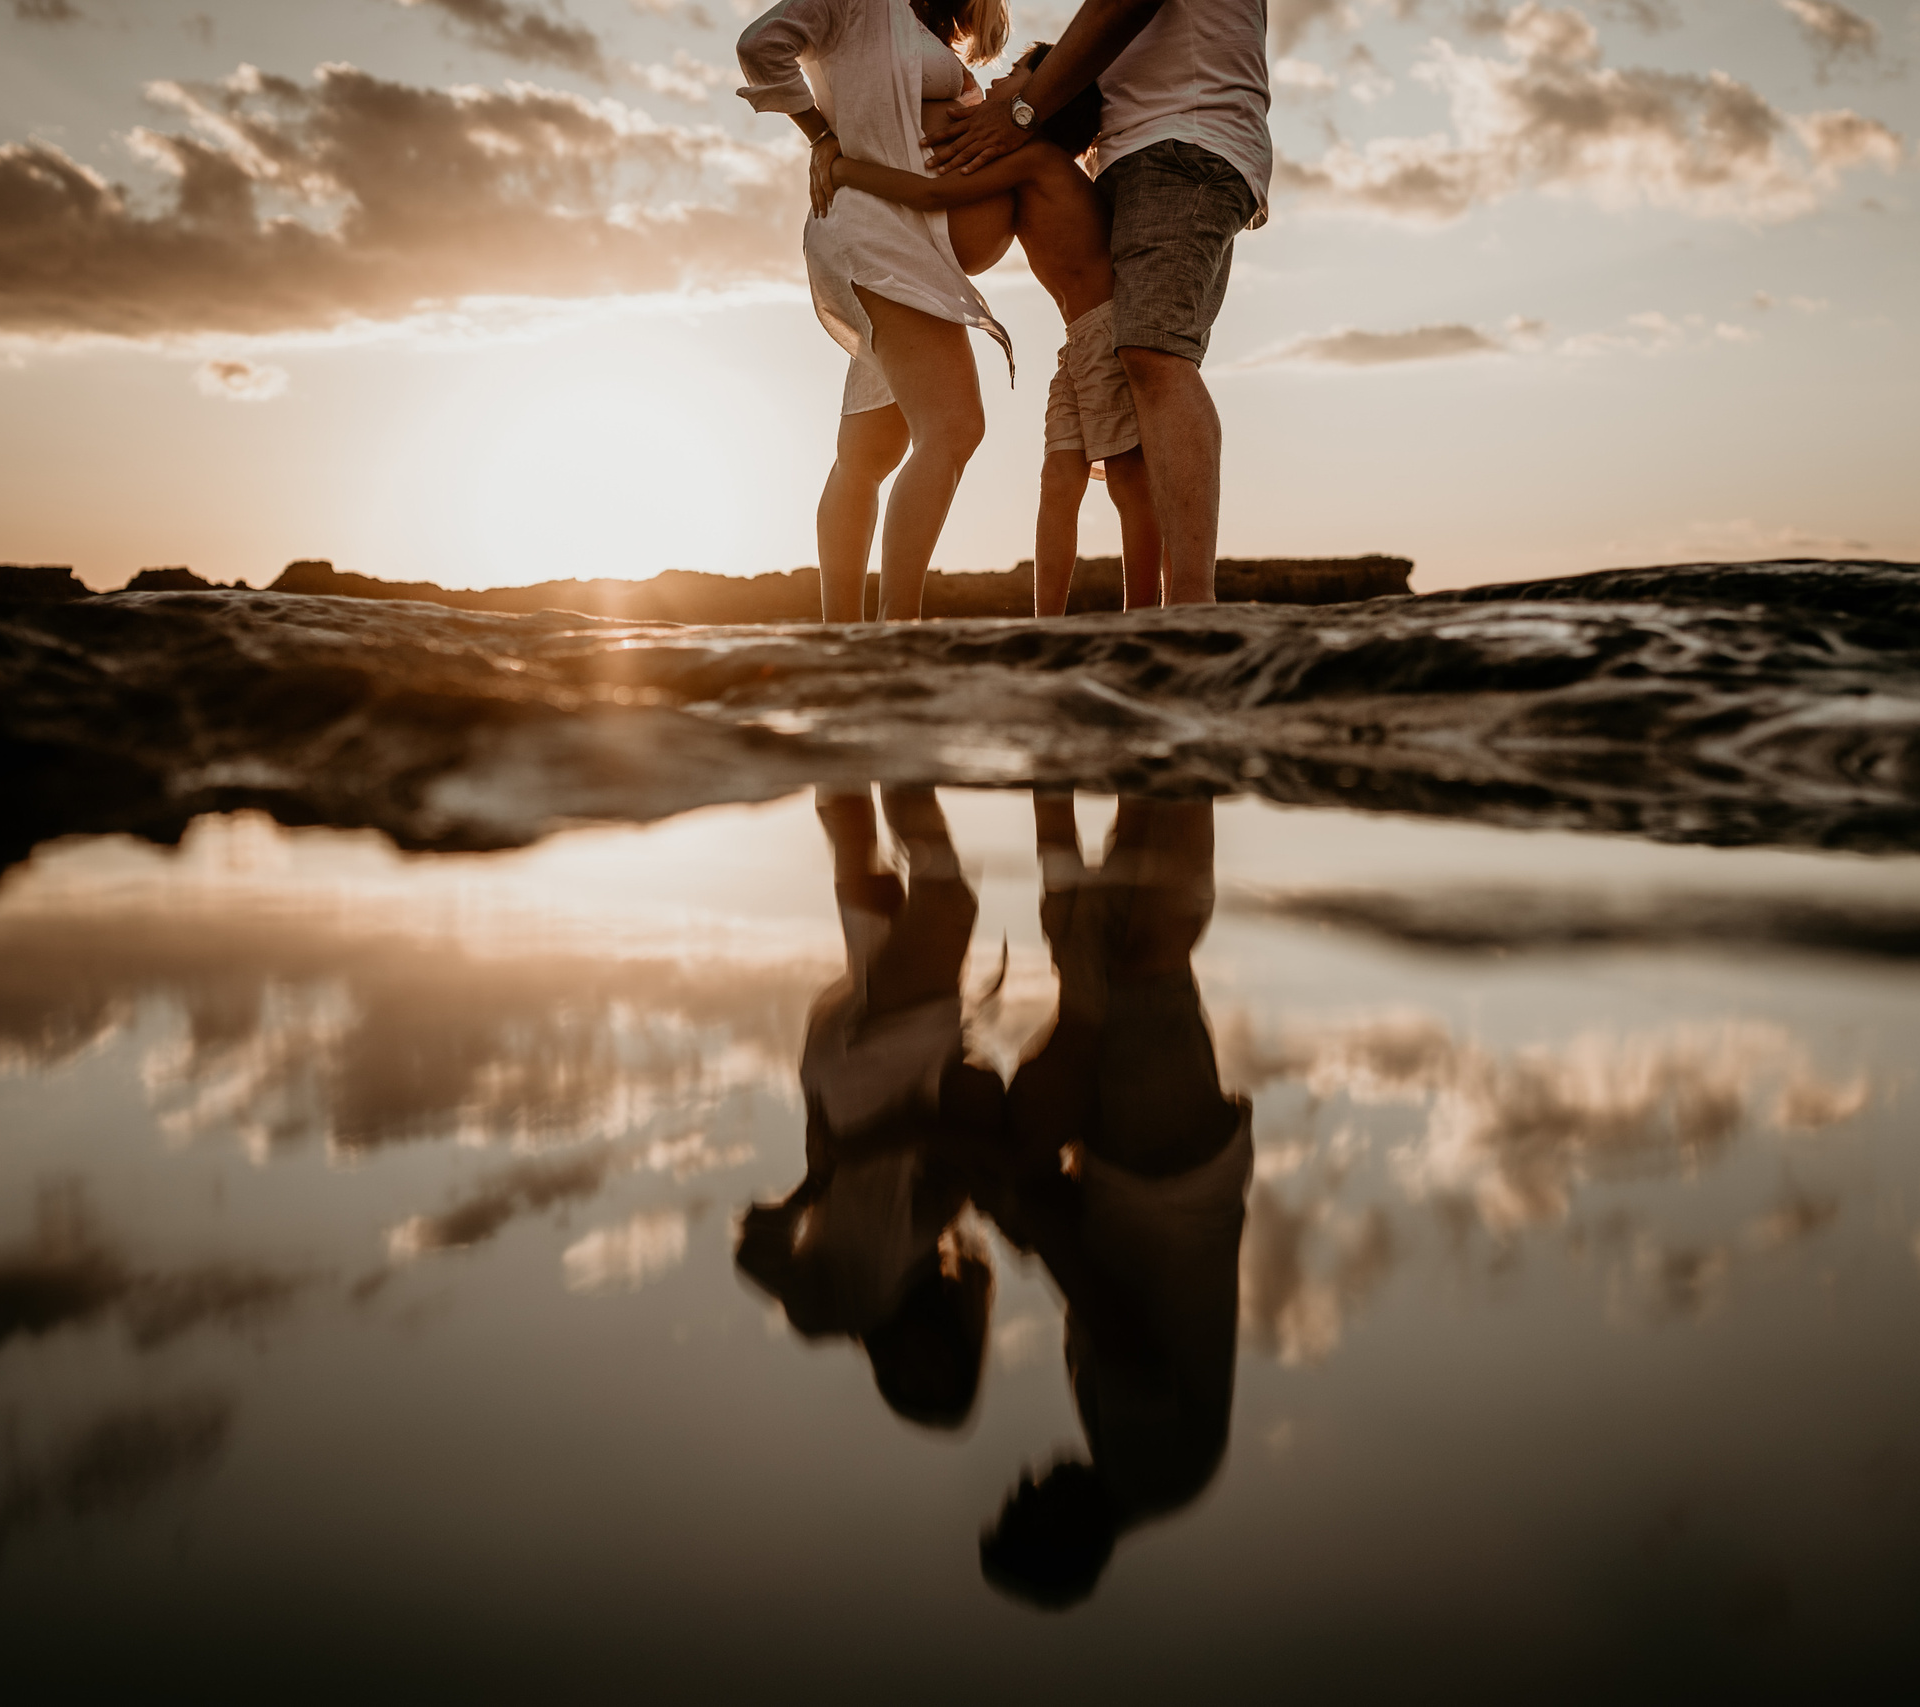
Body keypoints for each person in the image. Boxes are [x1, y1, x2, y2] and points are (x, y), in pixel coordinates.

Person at [966, 791, 1252, 1606]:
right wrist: (1031, 1218)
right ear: (1062, 1543)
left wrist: (1027, 1214)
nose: (1025, 1479)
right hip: (1167, 1183)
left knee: (1111, 941)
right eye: (1023, 1505)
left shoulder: (1132, 1462)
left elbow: (1095, 1274)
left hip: (1147, 1180)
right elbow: (1114, 1315)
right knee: (1144, 960)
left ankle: (1126, 732)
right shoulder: (1146, 1468)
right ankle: (1180, 742)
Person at [924, 0, 1270, 609]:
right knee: (1079, 457)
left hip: (1181, 138)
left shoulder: (1038, 155)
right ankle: (1071, 618)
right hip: (1145, 159)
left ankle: (1184, 606)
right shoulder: (1061, 168)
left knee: (1153, 354)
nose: (999, 83)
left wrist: (1021, 112)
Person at [820, 41, 1164, 615]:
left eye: (1013, 77)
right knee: (1058, 483)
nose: (998, 85)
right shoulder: (1043, 167)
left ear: (1042, 97)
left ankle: (1147, 616)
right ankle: (1045, 622)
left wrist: (844, 165)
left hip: (1106, 335)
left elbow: (934, 192)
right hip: (1078, 344)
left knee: (1128, 479)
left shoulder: (1036, 164)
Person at [735, 785, 1006, 1430]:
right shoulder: (921, 1256)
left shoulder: (836, 1311)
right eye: (941, 1373)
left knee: (948, 904)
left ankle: (898, 746)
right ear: (961, 1349)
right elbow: (945, 1133)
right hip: (846, 1080)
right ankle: (839, 727)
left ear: (887, 1380)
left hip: (863, 1089)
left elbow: (755, 1252)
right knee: (869, 874)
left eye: (911, 1385)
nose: (919, 1364)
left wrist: (816, 1182)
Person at [737, 0, 1015, 624]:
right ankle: (898, 627)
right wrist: (820, 134)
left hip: (900, 243)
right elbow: (761, 44)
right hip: (878, 235)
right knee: (955, 426)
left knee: (867, 456)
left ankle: (842, 633)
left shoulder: (922, 30)